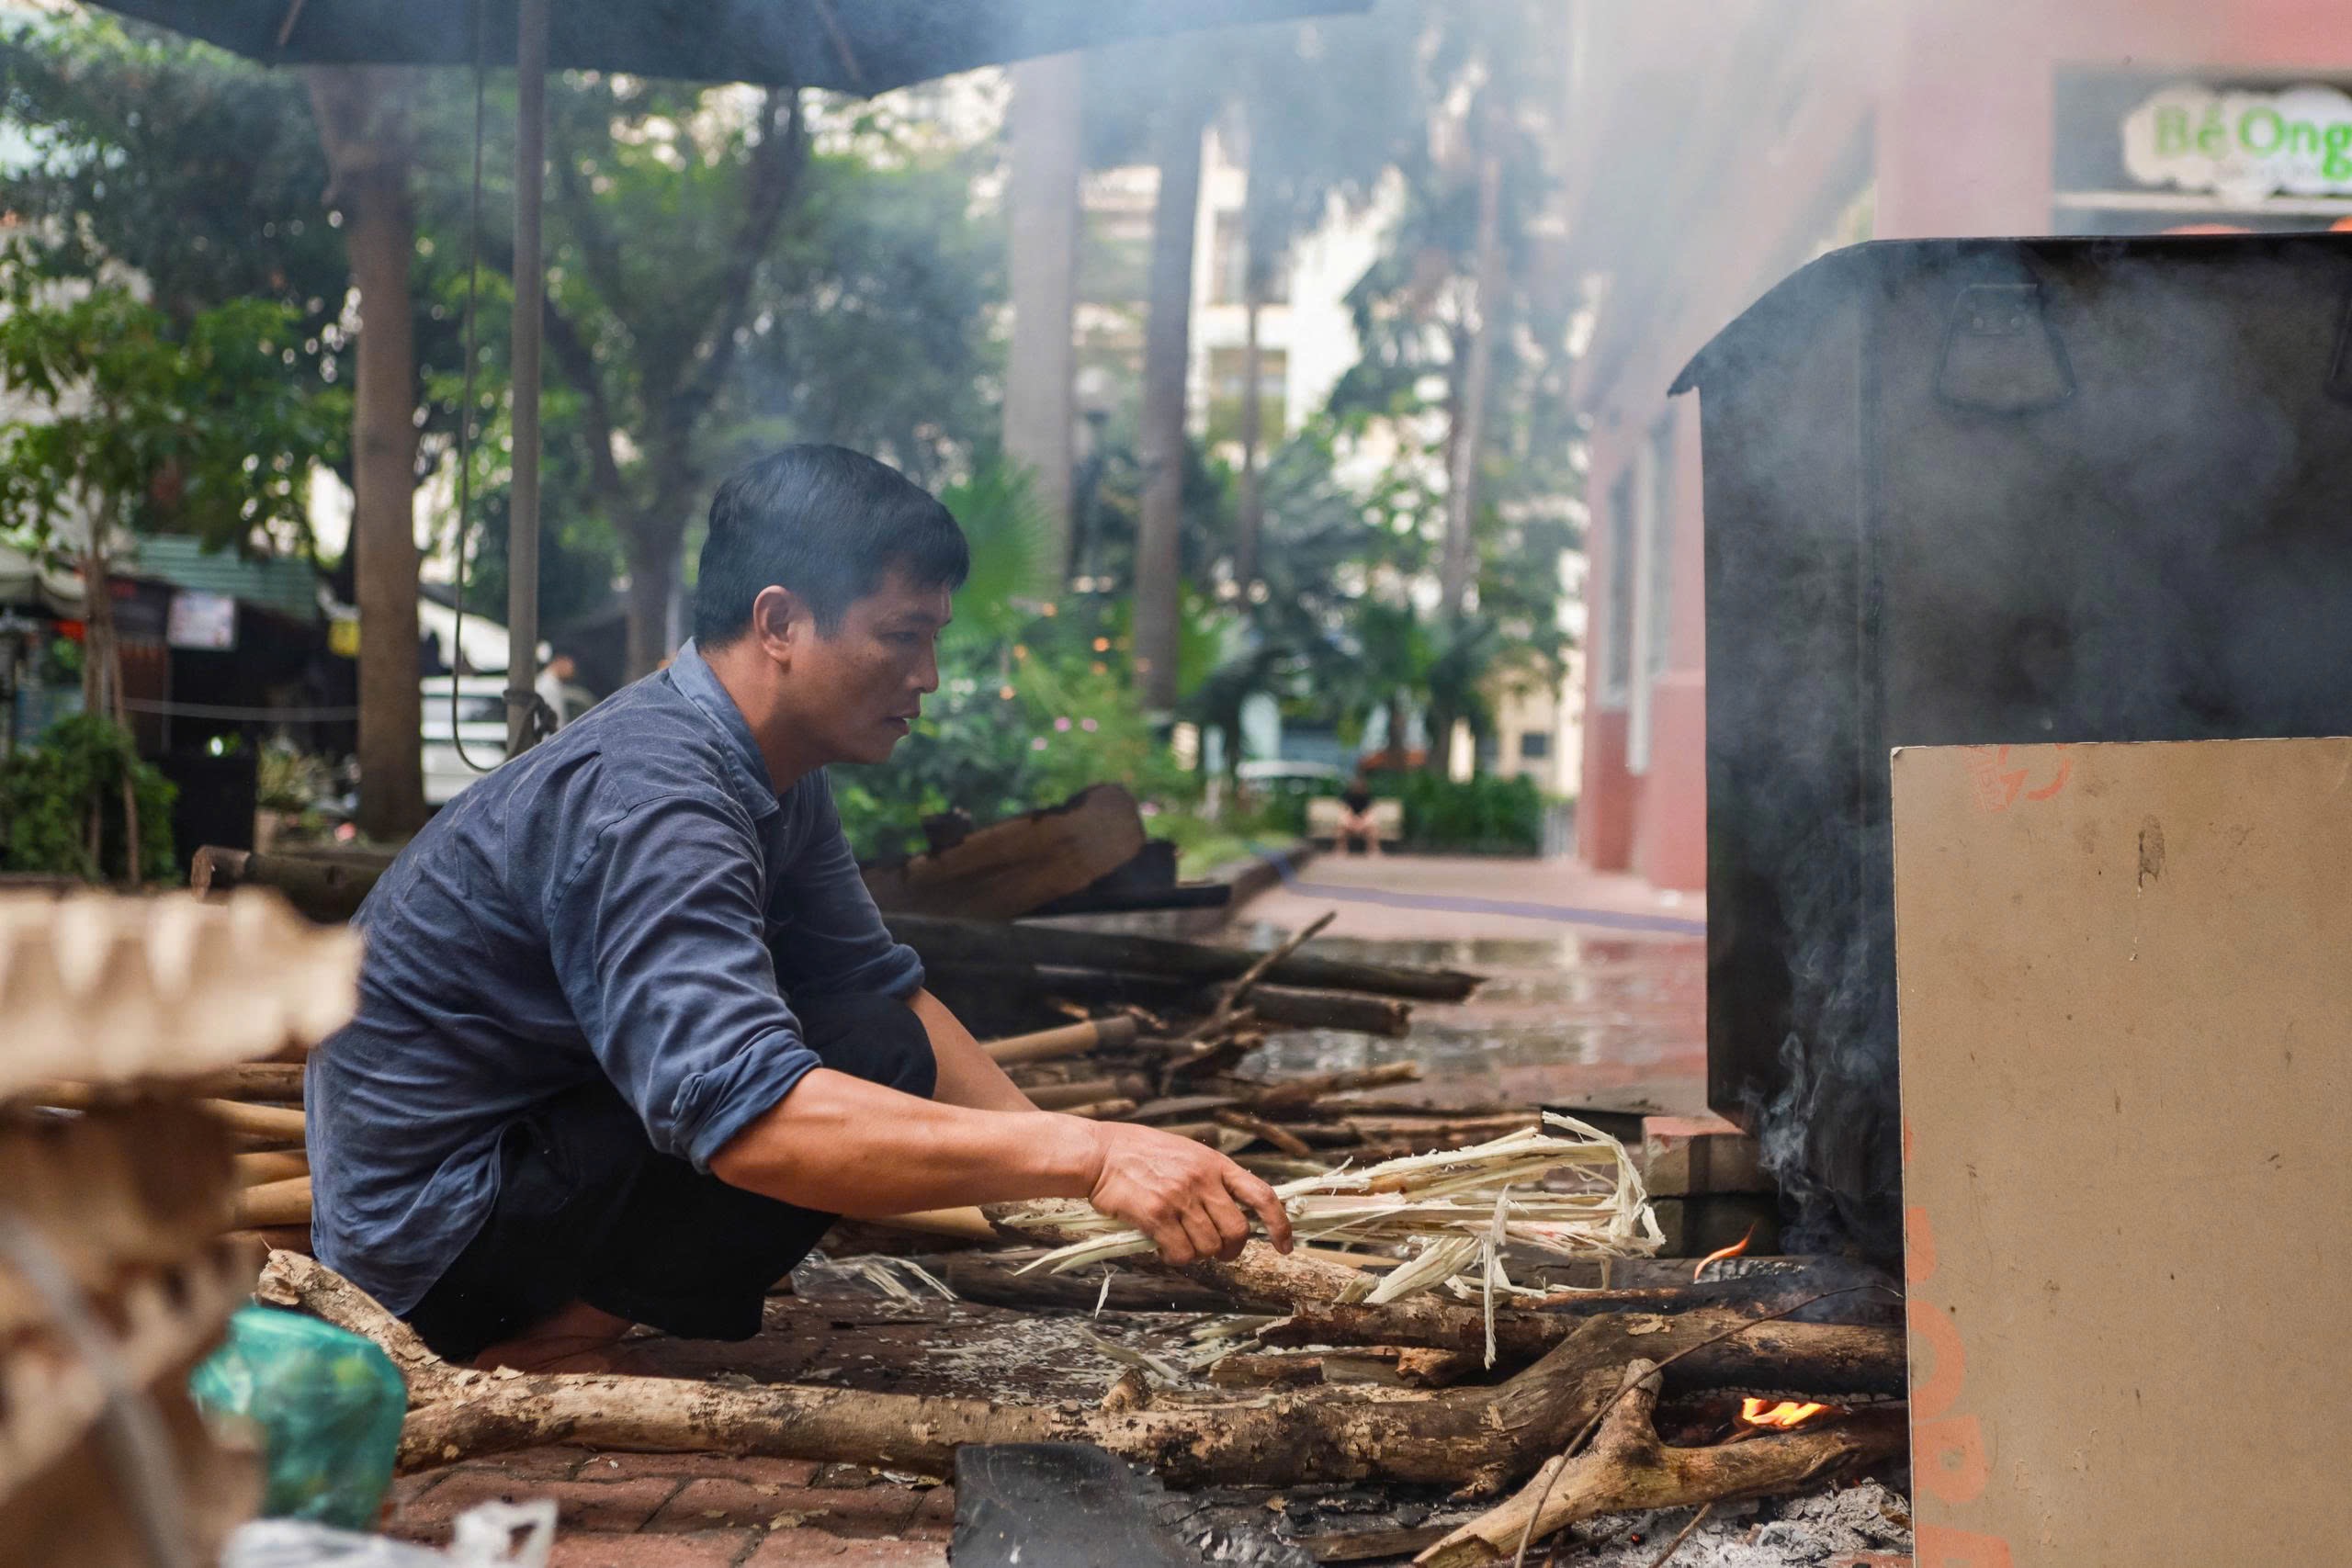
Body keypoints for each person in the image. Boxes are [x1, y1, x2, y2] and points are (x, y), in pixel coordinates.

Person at [308, 445, 1291, 1373]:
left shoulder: (773, 768)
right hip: (436, 1243)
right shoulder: (657, 797)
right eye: (901, 636)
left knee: (872, 1028)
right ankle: (537, 1343)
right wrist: (1091, 1153)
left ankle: (560, 1315)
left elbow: (876, 991)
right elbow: (754, 1125)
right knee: (834, 1069)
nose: (927, 676)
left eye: (933, 639)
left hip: (520, 1161)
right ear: (778, 623)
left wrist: (1075, 1180)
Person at [1337, 767, 1381, 856]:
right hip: (1350, 818)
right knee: (1342, 822)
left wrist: (1361, 822)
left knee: (1372, 823)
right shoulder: (1347, 795)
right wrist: (1353, 821)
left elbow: (1368, 811)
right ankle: (1341, 849)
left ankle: (1373, 849)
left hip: (1363, 819)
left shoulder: (1367, 795)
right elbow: (1346, 810)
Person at [533, 649, 579, 732]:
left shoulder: (552, 683)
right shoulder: (547, 686)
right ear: (560, 661)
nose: (573, 669)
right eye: (571, 663)